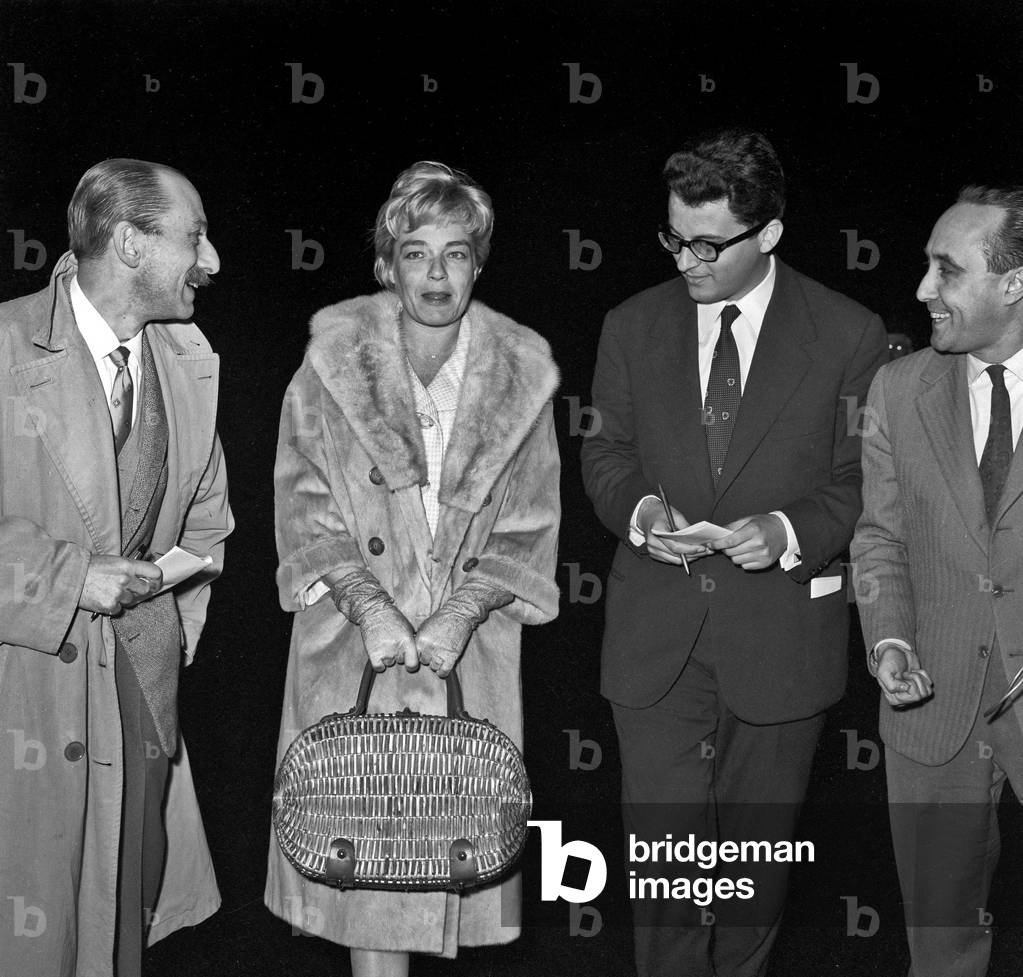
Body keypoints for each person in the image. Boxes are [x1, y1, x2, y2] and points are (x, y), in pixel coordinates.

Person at [580, 128, 889, 977]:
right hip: (656, 646)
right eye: (674, 238)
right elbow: (604, 454)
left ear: (770, 232)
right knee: (667, 876)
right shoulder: (629, 325)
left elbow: (861, 480)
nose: (687, 261)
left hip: (780, 642)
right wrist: (641, 510)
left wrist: (786, 531)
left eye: (709, 244)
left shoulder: (848, 333)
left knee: (753, 877)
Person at [265, 160, 560, 975]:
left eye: (456, 253)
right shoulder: (330, 366)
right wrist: (368, 603)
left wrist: (460, 612)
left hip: (467, 657)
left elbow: (531, 523)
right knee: (367, 876)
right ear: (386, 265)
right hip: (352, 653)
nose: (436, 274)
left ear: (478, 264)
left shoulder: (520, 377)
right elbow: (301, 501)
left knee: (450, 850)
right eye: (416, 252)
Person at [0, 158, 232, 977]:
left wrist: (167, 632)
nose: (211, 261)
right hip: (24, 700)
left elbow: (207, 519)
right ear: (131, 244)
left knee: (117, 922)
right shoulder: (4, 348)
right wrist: (69, 578)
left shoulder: (188, 361)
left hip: (141, 696)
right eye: (195, 237)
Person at [852, 185, 1023, 977]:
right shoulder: (897, 389)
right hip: (933, 708)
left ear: (1012, 283)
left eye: (946, 270)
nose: (922, 288)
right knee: (941, 945)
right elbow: (880, 538)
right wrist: (889, 638)